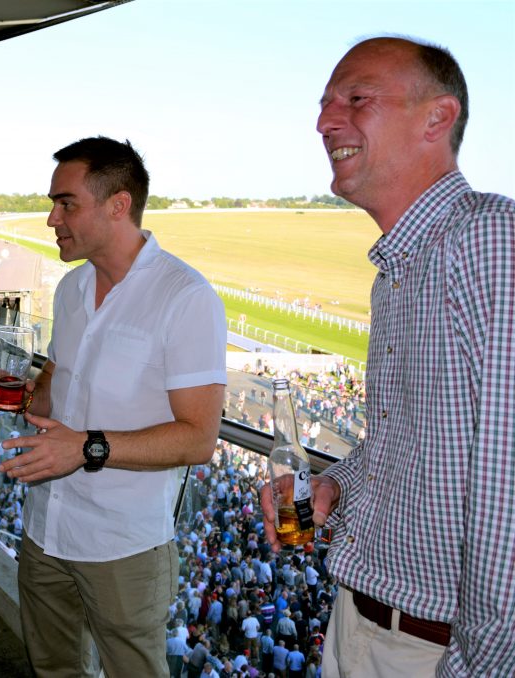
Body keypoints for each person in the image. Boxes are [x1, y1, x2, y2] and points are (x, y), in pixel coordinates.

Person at [260, 36, 515, 676]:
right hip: (360, 621)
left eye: (357, 99)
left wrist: (479, 667)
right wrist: (335, 486)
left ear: (438, 117)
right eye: (324, 105)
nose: (325, 121)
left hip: (436, 651)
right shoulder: (399, 269)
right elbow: (403, 444)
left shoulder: (486, 238)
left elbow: (505, 494)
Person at [0, 136, 227, 676]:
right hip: (45, 525)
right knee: (53, 668)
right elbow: (60, 381)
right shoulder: (70, 290)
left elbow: (198, 439)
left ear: (119, 205)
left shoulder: (185, 298)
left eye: (66, 203)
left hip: (122, 543)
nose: (51, 218)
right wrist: (23, 392)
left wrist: (86, 447)